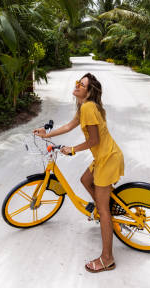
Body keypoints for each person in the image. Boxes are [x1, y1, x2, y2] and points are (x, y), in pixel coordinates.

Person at [33, 73, 124, 273]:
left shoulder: (89, 108)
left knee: (104, 209)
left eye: (81, 85)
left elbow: (94, 141)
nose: (77, 86)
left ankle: (107, 258)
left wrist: (72, 149)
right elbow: (69, 126)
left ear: (89, 92)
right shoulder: (84, 107)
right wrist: (47, 133)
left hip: (108, 159)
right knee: (85, 180)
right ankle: (103, 208)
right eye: (77, 82)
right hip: (105, 157)